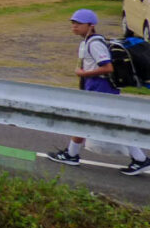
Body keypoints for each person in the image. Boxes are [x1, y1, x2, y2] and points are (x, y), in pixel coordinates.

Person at [47, 9, 150, 176]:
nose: (74, 26)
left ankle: (140, 159)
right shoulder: (88, 42)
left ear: (90, 26)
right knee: (90, 122)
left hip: (101, 89)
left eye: (78, 24)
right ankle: (72, 154)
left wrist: (82, 74)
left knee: (107, 124)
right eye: (73, 23)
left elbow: (107, 67)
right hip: (96, 88)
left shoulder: (94, 43)